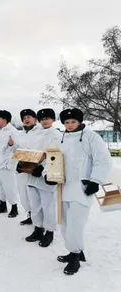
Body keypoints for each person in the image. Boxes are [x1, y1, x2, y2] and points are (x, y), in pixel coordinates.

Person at [48, 108, 112, 275]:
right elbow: (52, 159)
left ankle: (75, 257)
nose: (69, 125)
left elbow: (103, 160)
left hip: (82, 188)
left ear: (79, 122)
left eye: (73, 122)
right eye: (67, 122)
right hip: (63, 187)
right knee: (65, 223)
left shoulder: (91, 138)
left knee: (75, 224)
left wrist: (95, 181)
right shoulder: (61, 138)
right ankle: (74, 251)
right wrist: (47, 174)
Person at [24, 109, 62, 247]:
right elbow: (29, 151)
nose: (45, 121)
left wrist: (41, 167)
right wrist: (22, 163)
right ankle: (38, 228)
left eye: (47, 118)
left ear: (53, 119)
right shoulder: (36, 134)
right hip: (31, 174)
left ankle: (50, 232)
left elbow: (55, 154)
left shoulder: (57, 135)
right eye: (42, 118)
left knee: (48, 206)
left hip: (46, 175)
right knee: (34, 205)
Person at [0, 110, 20, 218]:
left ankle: (14, 207)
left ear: (5, 119)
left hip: (7, 164)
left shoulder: (13, 131)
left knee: (9, 187)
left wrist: (11, 145)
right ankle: (2, 205)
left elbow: (18, 148)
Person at [16, 109, 41, 226]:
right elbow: (17, 149)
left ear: (35, 118)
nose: (26, 119)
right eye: (24, 118)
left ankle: (40, 221)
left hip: (35, 168)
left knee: (35, 195)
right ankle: (30, 215)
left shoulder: (40, 132)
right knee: (23, 193)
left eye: (29, 117)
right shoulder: (20, 133)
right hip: (23, 167)